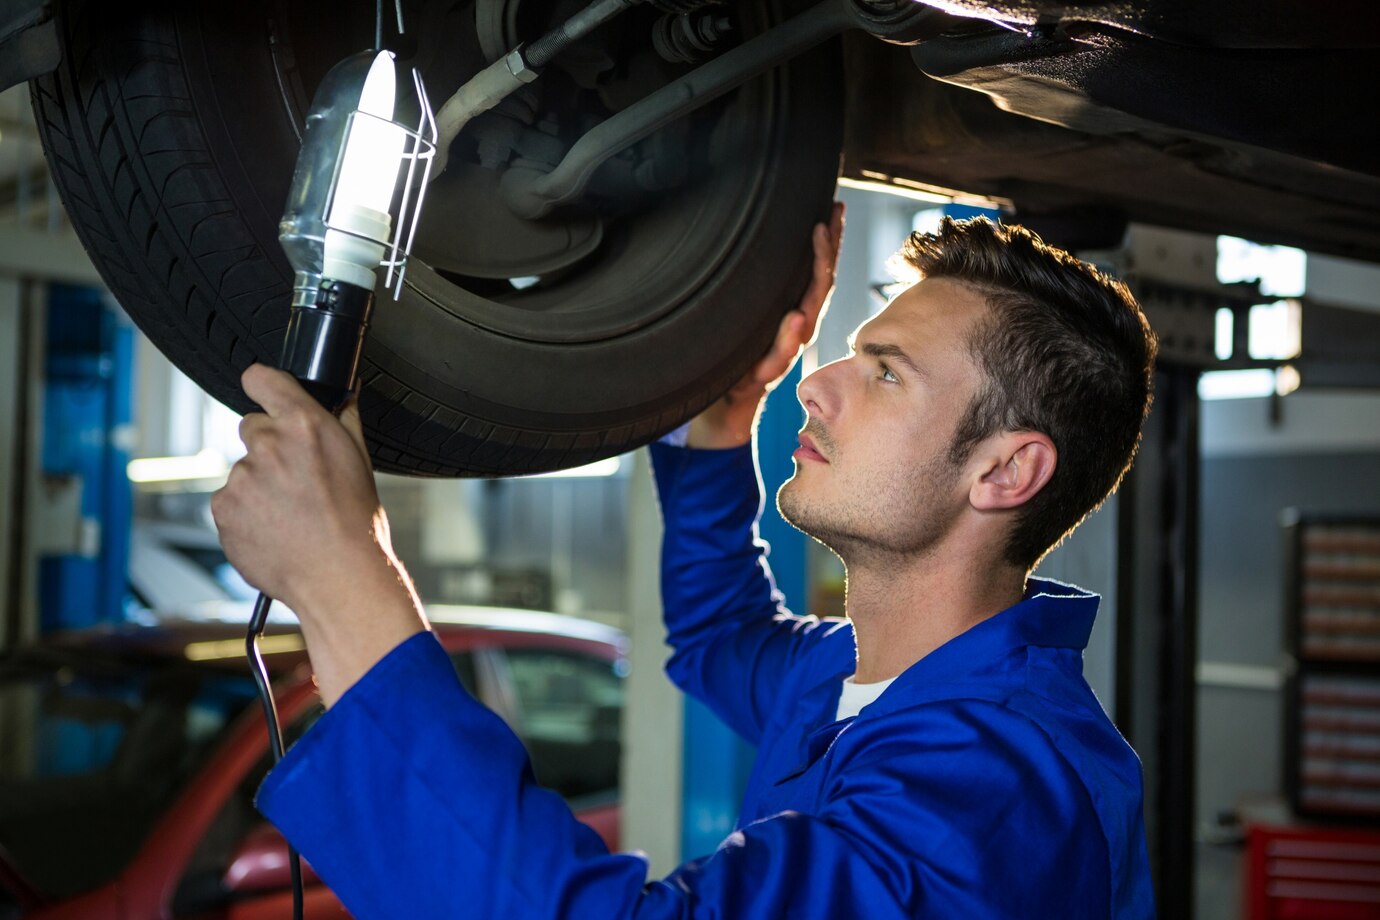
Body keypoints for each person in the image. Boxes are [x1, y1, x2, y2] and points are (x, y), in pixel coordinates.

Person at [212, 206, 1157, 918]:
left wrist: (346, 576)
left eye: (885, 371)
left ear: (1005, 469)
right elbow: (720, 634)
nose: (818, 382)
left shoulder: (1002, 784)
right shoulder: (854, 677)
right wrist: (723, 426)